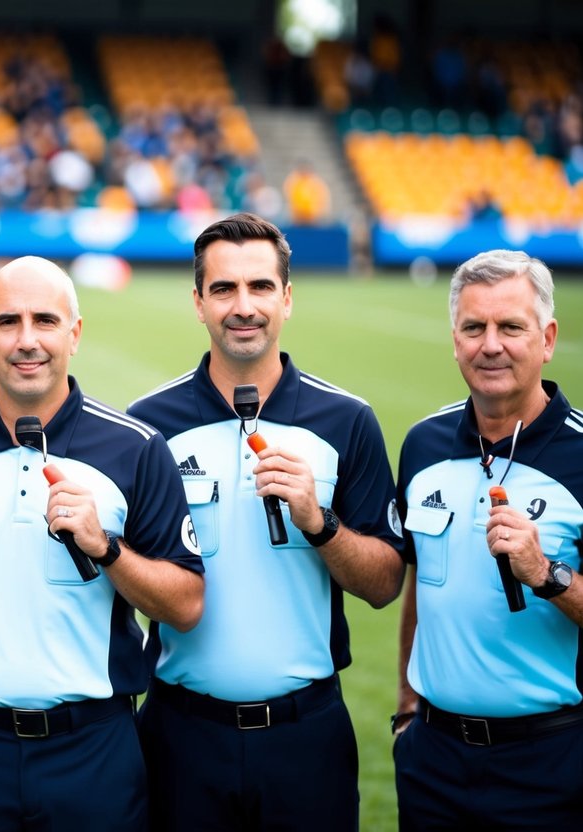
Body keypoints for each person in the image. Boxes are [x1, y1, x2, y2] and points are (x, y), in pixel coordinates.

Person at [127, 212, 405, 830]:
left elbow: (385, 585)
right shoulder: (147, 426)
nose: (242, 306)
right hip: (181, 734)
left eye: (259, 287)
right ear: (198, 302)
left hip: (306, 738)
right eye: (223, 289)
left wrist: (320, 522)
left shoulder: (346, 420)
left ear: (287, 298)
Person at [0, 256, 205, 830]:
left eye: (45, 321)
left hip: (91, 751)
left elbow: (187, 604)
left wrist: (108, 549)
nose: (27, 341)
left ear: (74, 333)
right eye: (8, 322)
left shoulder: (136, 448)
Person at [394, 250, 583, 828]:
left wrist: (546, 573)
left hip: (551, 762)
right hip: (433, 759)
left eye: (511, 327)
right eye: (474, 327)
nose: (490, 344)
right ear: (455, 340)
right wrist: (406, 711)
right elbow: (418, 586)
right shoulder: (422, 444)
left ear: (547, 338)